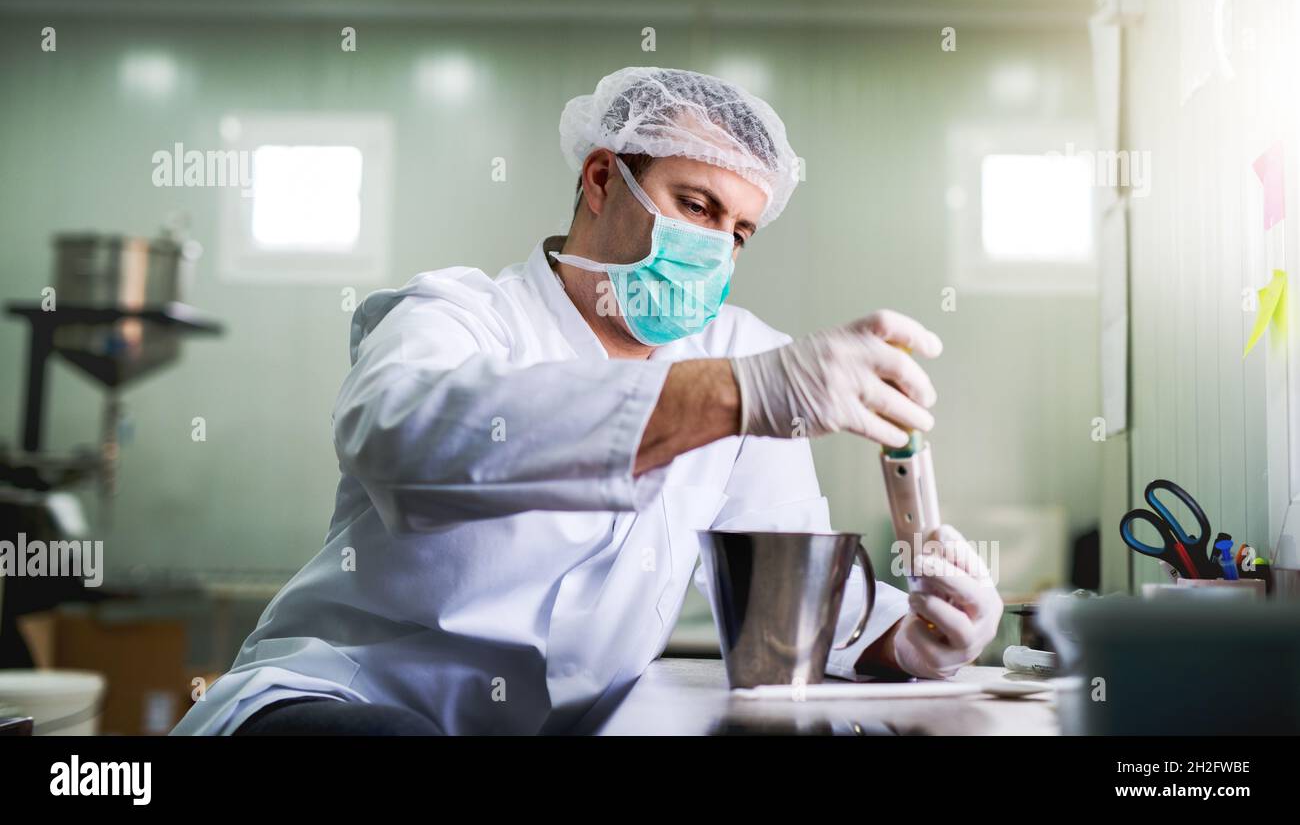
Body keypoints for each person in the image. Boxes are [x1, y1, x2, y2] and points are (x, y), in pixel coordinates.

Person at [173, 66, 1002, 736]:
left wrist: (913, 637)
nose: (714, 248)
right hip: (341, 704)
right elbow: (401, 442)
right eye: (695, 205)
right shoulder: (458, 313)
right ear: (603, 178)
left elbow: (781, 601)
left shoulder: (744, 355)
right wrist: (743, 393)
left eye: (739, 232)